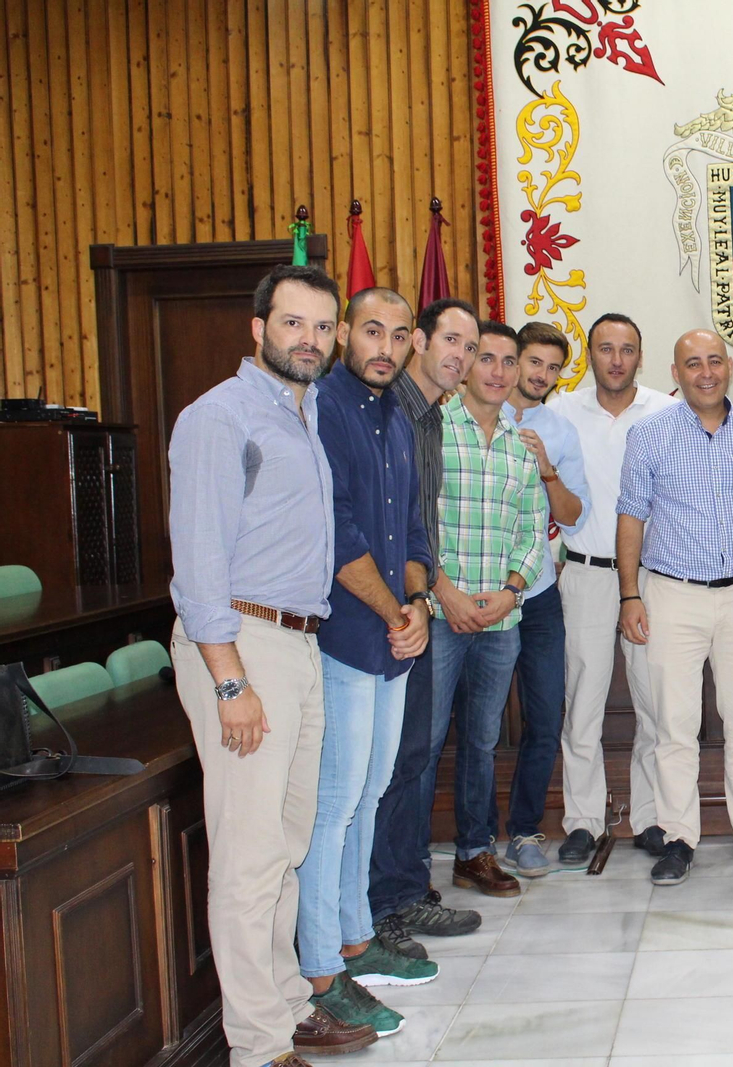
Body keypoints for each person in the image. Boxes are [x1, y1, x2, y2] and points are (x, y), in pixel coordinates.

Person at [168, 264, 377, 1066]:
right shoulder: (219, 417)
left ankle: (289, 1004)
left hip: (298, 641)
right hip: (241, 642)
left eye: (323, 327)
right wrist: (230, 680)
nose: (309, 339)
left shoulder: (306, 411)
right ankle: (256, 1044)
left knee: (288, 841)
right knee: (250, 855)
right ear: (258, 328)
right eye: (293, 323)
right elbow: (198, 563)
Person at [299, 287, 437, 1037]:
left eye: (399, 334)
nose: (385, 347)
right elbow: (338, 531)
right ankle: (321, 966)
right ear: (345, 334)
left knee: (372, 789)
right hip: (344, 635)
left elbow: (414, 529)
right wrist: (394, 613)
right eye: (371, 331)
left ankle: (356, 937)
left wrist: (416, 604)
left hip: (393, 635)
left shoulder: (398, 417)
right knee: (335, 801)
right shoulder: (321, 409)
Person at [617, 329, 733, 886]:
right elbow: (631, 516)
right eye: (693, 363)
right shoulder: (649, 434)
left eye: (715, 361)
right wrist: (629, 594)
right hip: (672, 594)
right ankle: (677, 837)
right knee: (675, 726)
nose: (706, 372)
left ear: (729, 368)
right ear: (676, 373)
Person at [368, 297, 483, 960]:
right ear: (419, 341)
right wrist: (409, 600)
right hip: (381, 614)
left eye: (469, 346)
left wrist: (420, 595)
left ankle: (404, 891)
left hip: (413, 606)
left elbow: (419, 527)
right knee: (386, 765)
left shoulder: (432, 417)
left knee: (412, 757)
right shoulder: (388, 412)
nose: (460, 357)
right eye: (451, 341)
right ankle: (377, 909)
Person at [544, 314, 676, 865]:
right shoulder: (560, 412)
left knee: (656, 704)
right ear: (589, 355)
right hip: (585, 574)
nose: (616, 360)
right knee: (583, 703)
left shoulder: (667, 411)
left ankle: (651, 817)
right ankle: (582, 820)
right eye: (605, 349)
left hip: (651, 577)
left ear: (640, 357)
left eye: (627, 350)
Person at [430, 320, 548, 898]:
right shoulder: (431, 431)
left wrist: (512, 589)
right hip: (438, 616)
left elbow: (534, 529)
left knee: (481, 743)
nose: (498, 372)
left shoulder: (520, 445)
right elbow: (414, 522)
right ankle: (404, 870)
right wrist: (446, 593)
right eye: (486, 357)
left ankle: (474, 853)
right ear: (466, 364)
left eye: (508, 361)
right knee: (424, 743)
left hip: (502, 619)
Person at [500, 322, 592, 875]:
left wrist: (547, 471)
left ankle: (524, 831)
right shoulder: (463, 416)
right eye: (533, 362)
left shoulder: (557, 430)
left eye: (553, 368)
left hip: (536, 594)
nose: (542, 375)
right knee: (475, 724)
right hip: (473, 595)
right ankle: (469, 841)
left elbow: (574, 515)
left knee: (543, 717)